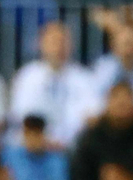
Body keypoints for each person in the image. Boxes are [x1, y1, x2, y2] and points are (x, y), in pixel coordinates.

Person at [6, 21, 98, 151]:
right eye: (54, 42)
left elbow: (92, 116)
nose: (59, 47)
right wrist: (45, 140)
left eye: (63, 41)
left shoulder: (84, 78)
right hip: (34, 146)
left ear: (71, 45)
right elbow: (22, 115)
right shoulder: (27, 76)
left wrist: (65, 141)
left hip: (74, 148)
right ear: (41, 44)